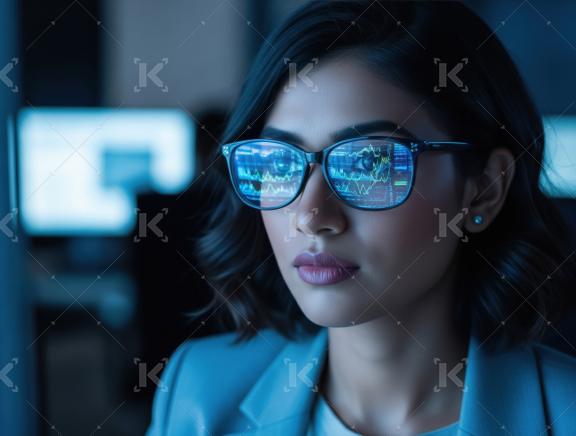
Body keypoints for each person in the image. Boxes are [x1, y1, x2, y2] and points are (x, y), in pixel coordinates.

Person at [145, 1, 576, 435]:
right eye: (277, 163)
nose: (312, 217)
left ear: (484, 190)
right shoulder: (199, 393)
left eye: (369, 164)